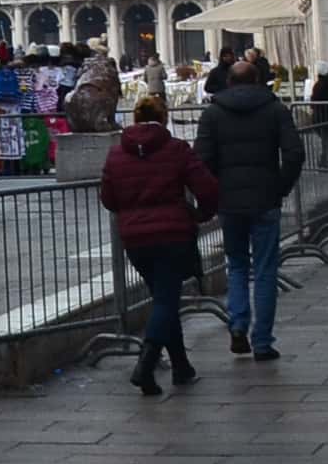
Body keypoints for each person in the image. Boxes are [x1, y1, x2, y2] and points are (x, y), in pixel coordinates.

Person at [98, 92, 218, 398]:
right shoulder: (176, 149)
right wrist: (200, 214)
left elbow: (108, 198)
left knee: (163, 298)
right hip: (173, 234)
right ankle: (146, 364)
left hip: (135, 239)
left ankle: (180, 365)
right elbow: (206, 187)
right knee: (166, 300)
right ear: (163, 118)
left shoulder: (116, 154)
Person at [195, 50, 304, 361]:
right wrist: (280, 186)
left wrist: (215, 191)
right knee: (266, 269)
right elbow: (294, 153)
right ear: (259, 79)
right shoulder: (274, 109)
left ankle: (238, 323)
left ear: (228, 82)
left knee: (237, 265)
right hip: (265, 198)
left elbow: (201, 159)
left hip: (229, 201)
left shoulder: (213, 113)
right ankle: (262, 341)